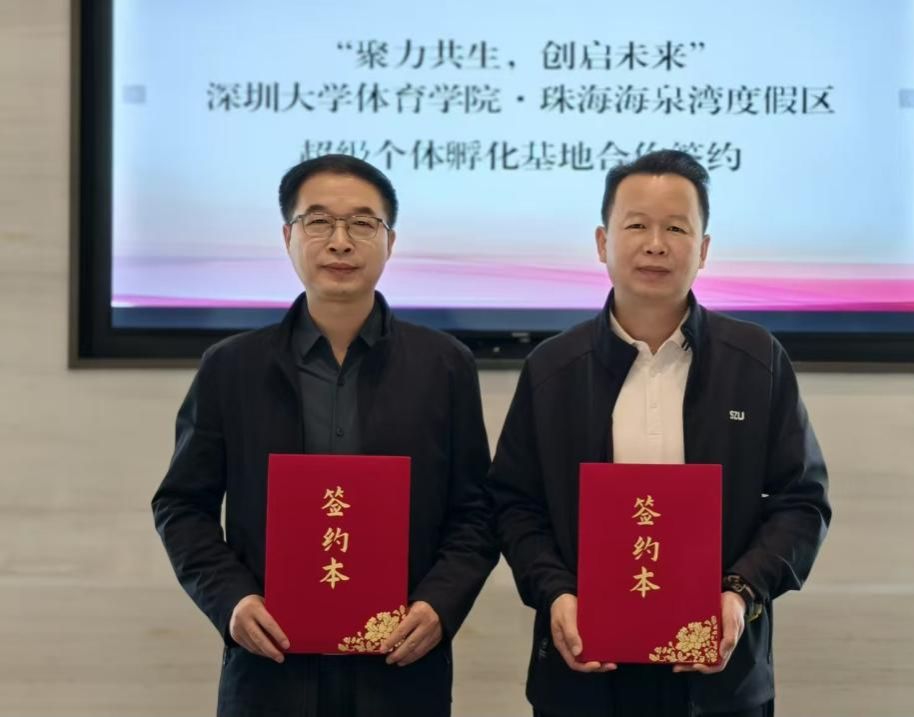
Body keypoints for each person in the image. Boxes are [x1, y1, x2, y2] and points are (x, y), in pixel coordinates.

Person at [488, 150, 832, 717]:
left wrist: (741, 592)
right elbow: (514, 504)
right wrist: (556, 591)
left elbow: (802, 502)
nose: (655, 244)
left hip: (719, 678)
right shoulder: (553, 368)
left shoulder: (756, 360)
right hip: (584, 674)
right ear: (602, 242)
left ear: (703, 249)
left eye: (676, 228)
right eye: (636, 226)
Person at [152, 154, 497, 717]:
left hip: (400, 668)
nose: (340, 242)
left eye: (362, 223)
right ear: (288, 236)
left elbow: (477, 510)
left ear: (390, 242)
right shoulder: (231, 367)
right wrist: (231, 600)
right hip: (271, 668)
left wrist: (439, 605)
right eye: (318, 222)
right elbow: (182, 505)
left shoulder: (444, 365)